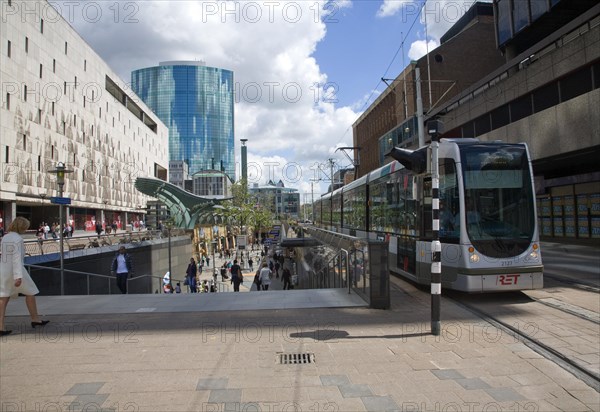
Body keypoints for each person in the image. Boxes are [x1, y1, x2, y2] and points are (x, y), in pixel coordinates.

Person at [0, 217, 49, 336]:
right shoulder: (18, 239)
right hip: (16, 270)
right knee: (30, 292)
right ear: (21, 227)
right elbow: (17, 258)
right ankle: (35, 319)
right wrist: (18, 276)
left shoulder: (6, 237)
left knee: (3, 297)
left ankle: (0, 326)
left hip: (3, 269)